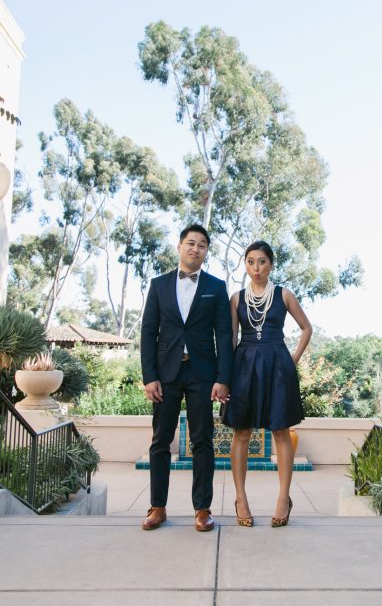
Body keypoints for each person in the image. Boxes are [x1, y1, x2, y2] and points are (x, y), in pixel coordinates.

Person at [139, 224, 232, 532]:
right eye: (191, 243)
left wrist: (223, 378)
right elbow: (148, 332)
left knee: (203, 440)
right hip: (165, 373)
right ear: (179, 246)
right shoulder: (159, 284)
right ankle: (157, 507)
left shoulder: (216, 287)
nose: (196, 248)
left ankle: (202, 509)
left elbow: (224, 334)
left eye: (202, 245)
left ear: (206, 251)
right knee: (160, 441)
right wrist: (149, 376)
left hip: (202, 373)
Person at [221, 240, 312, 527]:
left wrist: (292, 360)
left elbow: (306, 328)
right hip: (244, 366)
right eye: (250, 261)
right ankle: (240, 498)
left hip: (277, 365)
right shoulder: (236, 299)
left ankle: (283, 498)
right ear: (245, 265)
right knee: (242, 433)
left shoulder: (284, 295)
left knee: (281, 431)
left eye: (261, 261)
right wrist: (224, 378)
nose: (256, 267)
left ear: (271, 264)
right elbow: (231, 340)